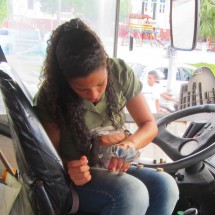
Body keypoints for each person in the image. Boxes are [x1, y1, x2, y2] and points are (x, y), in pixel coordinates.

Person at [33, 18, 179, 215]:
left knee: (165, 185)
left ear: (106, 66)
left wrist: (130, 144)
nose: (94, 94)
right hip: (79, 180)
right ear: (65, 81)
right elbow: (50, 160)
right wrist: (70, 167)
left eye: (100, 84)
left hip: (112, 168)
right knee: (131, 193)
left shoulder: (120, 72)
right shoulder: (51, 95)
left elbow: (148, 125)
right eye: (82, 89)